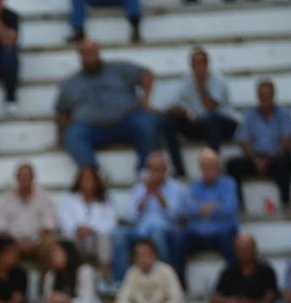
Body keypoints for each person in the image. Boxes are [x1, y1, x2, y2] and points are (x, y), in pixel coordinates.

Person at [55, 39, 156, 171]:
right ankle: (93, 174)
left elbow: (147, 75)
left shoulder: (118, 68)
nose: (90, 56)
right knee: (74, 135)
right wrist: (61, 135)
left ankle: (145, 170)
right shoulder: (71, 82)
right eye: (86, 53)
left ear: (99, 52)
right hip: (91, 128)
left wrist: (146, 100)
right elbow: (61, 111)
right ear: (80, 56)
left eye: (93, 51)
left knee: (146, 123)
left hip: (126, 121)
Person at [162, 47, 236, 178]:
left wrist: (201, 84)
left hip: (222, 123)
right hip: (198, 122)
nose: (197, 67)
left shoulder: (217, 79)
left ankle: (214, 165)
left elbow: (211, 108)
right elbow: (172, 106)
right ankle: (179, 168)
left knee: (212, 120)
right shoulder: (186, 81)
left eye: (200, 63)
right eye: (194, 63)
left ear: (207, 64)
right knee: (168, 122)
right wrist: (186, 113)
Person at [111, 151, 184, 282]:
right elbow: (131, 217)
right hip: (140, 231)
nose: (155, 173)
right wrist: (146, 196)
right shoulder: (140, 188)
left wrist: (158, 195)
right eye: (152, 169)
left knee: (158, 236)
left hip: (163, 230)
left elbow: (175, 217)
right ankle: (119, 283)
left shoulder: (175, 188)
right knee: (120, 235)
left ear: (165, 170)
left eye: (158, 169)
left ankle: (164, 281)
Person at [228, 79, 291, 210]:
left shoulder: (284, 114)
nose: (265, 99)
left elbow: (287, 140)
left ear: (274, 95)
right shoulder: (250, 115)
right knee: (232, 165)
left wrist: (270, 160)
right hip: (256, 157)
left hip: (277, 156)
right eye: (262, 95)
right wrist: (256, 160)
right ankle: (239, 205)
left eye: (268, 95)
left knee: (283, 162)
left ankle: (286, 203)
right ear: (257, 96)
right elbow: (243, 140)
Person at [176, 149, 240, 279]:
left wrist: (201, 209)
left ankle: (234, 281)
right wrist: (214, 206)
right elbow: (186, 209)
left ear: (218, 166)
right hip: (198, 234)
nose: (208, 169)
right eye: (204, 166)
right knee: (178, 237)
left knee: (232, 241)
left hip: (222, 233)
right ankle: (180, 282)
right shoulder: (195, 186)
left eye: (211, 166)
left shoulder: (229, 183)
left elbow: (230, 208)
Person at [112, 237, 184, 303]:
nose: (141, 258)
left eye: (145, 254)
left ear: (154, 255)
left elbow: (176, 299)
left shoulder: (166, 271)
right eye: (138, 255)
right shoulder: (132, 272)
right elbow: (121, 301)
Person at [58, 164, 115, 273]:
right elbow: (64, 221)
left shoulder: (106, 199)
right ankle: (74, 273)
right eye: (84, 178)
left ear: (96, 181)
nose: (87, 182)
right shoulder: (70, 199)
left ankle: (105, 274)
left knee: (105, 237)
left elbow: (111, 223)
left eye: (90, 178)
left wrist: (92, 229)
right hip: (78, 240)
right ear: (79, 181)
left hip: (96, 241)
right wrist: (78, 228)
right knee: (69, 238)